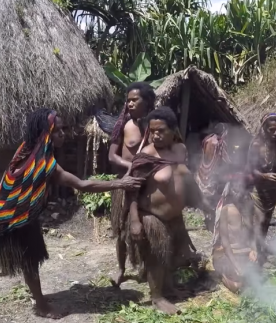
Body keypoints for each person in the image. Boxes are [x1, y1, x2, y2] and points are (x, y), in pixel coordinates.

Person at [0, 108, 143, 319]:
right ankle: (42, 306)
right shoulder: (44, 164)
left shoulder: (26, 150)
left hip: (9, 213)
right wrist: (119, 183)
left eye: (63, 129)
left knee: (30, 260)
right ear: (46, 133)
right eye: (58, 131)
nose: (63, 134)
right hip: (18, 219)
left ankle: (39, 299)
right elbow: (82, 184)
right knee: (31, 260)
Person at [125, 107, 209, 315]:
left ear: (173, 130)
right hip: (151, 216)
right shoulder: (146, 156)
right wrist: (135, 221)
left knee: (173, 256)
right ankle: (157, 297)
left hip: (174, 216)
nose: (155, 135)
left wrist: (200, 201)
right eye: (152, 131)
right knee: (156, 257)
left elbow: (183, 178)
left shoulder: (180, 150)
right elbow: (132, 192)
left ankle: (169, 287)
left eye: (161, 130)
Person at [108, 82, 155, 287]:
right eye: (128, 100)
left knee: (146, 227)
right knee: (121, 231)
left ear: (147, 102)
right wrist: (133, 167)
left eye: (135, 100)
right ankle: (121, 269)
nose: (130, 103)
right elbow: (112, 156)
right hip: (125, 183)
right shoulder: (124, 126)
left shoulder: (156, 127)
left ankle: (146, 266)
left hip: (147, 186)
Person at [247, 113, 276, 263]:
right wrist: (264, 176)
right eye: (272, 130)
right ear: (264, 129)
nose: (275, 133)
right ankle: (254, 252)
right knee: (259, 219)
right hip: (257, 189)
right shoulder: (256, 144)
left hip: (272, 189)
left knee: (266, 220)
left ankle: (260, 246)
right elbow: (250, 169)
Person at [212, 176, 258, 293]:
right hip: (227, 255)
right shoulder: (226, 210)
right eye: (235, 190)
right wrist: (236, 265)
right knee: (237, 287)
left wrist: (254, 250)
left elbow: (252, 234)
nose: (239, 193)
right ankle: (222, 275)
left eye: (241, 190)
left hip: (244, 252)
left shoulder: (248, 208)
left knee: (254, 283)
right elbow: (225, 244)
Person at [195, 123, 230, 232]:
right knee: (214, 200)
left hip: (202, 171)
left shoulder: (208, 139)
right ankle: (214, 224)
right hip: (213, 174)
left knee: (205, 198)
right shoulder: (219, 143)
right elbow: (225, 159)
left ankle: (208, 220)